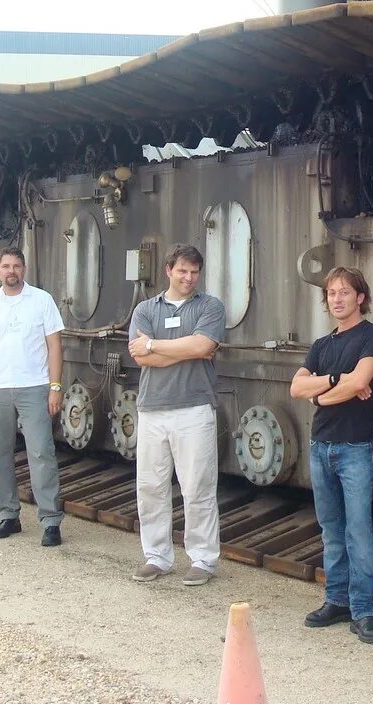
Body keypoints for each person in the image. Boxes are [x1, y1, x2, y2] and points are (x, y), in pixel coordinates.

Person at [290, 266, 373, 645]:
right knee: (331, 531)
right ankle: (336, 601)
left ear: (360, 297)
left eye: (345, 292)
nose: (337, 298)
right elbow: (296, 388)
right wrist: (335, 383)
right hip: (321, 446)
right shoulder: (321, 346)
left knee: (358, 533)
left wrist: (328, 390)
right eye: (332, 293)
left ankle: (364, 611)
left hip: (354, 447)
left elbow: (361, 381)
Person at [127, 243, 226, 586]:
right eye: (182, 270)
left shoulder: (210, 306)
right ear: (168, 270)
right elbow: (140, 358)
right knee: (150, 486)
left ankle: (203, 558)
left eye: (195, 272)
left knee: (197, 485)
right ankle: (157, 556)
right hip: (152, 408)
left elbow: (203, 346)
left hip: (195, 408)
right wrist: (187, 350)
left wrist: (155, 345)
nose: (189, 277)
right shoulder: (145, 309)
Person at [0, 247, 66, 546]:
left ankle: (50, 520)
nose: (11, 271)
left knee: (41, 452)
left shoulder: (41, 300)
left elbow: (55, 347)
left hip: (34, 386)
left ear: (24, 269)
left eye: (17, 266)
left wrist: (55, 387)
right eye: (6, 266)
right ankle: (8, 514)